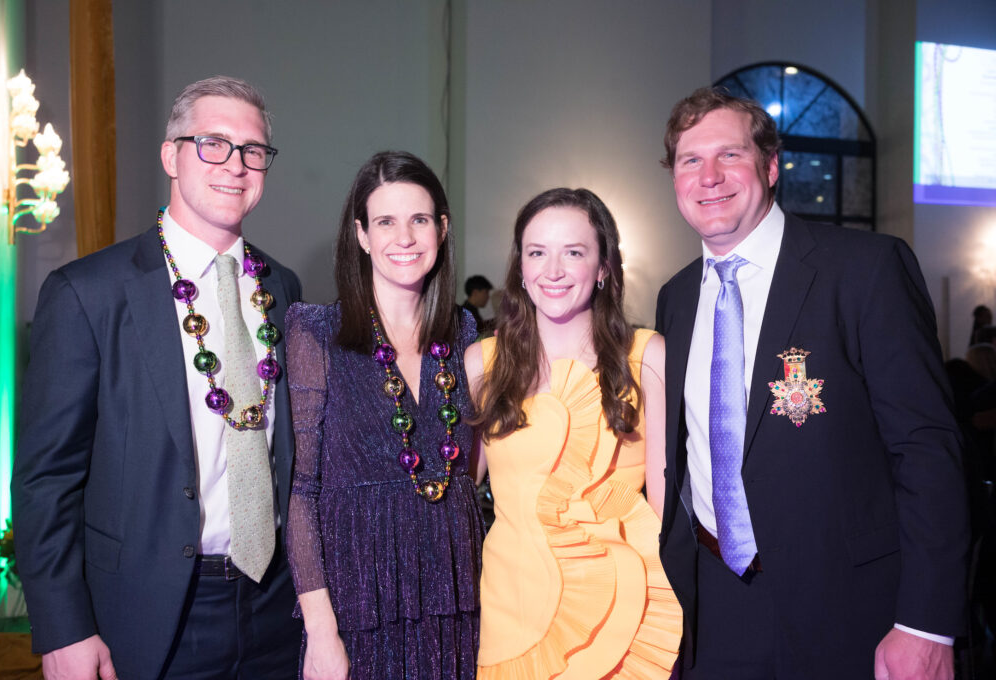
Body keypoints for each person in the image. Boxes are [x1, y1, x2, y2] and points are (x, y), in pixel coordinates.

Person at [654, 87, 969, 679]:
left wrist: (925, 623)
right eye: (690, 160)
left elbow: (927, 450)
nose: (709, 176)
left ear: (771, 167)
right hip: (712, 610)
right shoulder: (675, 298)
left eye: (730, 155)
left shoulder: (865, 269)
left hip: (851, 612)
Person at [12, 76, 303, 679]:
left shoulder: (282, 287)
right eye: (212, 144)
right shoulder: (87, 293)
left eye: (253, 151)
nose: (236, 165)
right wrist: (65, 628)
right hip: (153, 615)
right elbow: (47, 480)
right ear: (171, 155)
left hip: (275, 610)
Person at [466, 188, 683, 678]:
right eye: (537, 252)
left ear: (604, 265)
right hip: (510, 608)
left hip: (621, 607)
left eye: (574, 252)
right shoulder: (482, 362)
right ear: (521, 267)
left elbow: (669, 509)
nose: (553, 270)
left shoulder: (648, 357)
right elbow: (455, 492)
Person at [285, 150, 484, 680]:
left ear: (441, 230)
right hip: (356, 616)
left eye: (420, 219)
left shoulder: (464, 334)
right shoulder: (316, 333)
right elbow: (301, 493)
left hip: (457, 609)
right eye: (386, 222)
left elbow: (474, 472)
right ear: (362, 235)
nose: (405, 237)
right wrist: (321, 632)